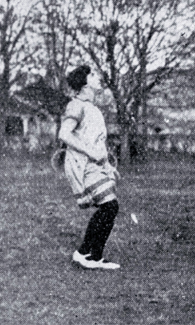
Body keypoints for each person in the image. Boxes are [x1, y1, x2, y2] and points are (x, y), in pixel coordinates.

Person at [58, 65, 120, 270]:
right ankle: (92, 256)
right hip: (83, 165)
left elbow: (97, 142)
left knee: (108, 207)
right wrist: (92, 154)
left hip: (95, 165)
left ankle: (85, 252)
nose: (98, 77)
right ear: (84, 83)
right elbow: (64, 134)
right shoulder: (76, 105)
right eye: (92, 75)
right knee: (110, 206)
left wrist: (107, 165)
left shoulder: (92, 108)